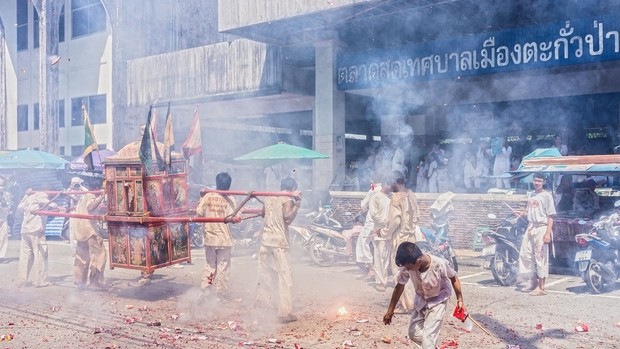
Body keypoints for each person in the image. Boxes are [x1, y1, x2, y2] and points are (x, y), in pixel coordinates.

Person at [383, 242, 464, 349]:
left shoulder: (439, 264)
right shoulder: (408, 266)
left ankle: (429, 345)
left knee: (428, 338)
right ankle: (429, 346)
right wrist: (390, 310)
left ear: (418, 261)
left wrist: (459, 299)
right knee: (413, 333)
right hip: (421, 299)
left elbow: (453, 278)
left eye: (408, 267)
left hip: (438, 301)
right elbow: (399, 286)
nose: (406, 269)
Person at [254, 177, 302, 323]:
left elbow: (263, 214)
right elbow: (287, 218)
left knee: (265, 275)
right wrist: (297, 204)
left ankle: (264, 306)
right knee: (284, 277)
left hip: (265, 242)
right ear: (293, 189)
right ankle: (285, 312)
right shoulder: (287, 200)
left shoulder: (269, 198)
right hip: (279, 244)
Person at [379, 171, 421, 311]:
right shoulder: (412, 195)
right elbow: (417, 216)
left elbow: (394, 221)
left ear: (395, 182)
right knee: (412, 271)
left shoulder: (396, 198)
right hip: (412, 238)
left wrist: (383, 232)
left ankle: (408, 305)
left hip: (400, 239)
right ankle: (415, 302)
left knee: (400, 272)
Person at [196, 172, 237, 298]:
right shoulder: (231, 199)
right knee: (223, 267)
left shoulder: (207, 197)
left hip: (210, 237)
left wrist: (200, 198)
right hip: (224, 239)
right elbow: (235, 217)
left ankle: (205, 291)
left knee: (210, 265)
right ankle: (220, 295)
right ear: (229, 186)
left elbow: (199, 213)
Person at [517, 173, 556, 296]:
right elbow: (529, 211)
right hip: (531, 227)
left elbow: (551, 215)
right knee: (526, 255)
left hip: (542, 228)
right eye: (535, 180)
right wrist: (521, 213)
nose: (537, 183)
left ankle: (541, 287)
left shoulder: (547, 196)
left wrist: (548, 233)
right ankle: (532, 281)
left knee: (540, 257)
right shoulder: (531, 194)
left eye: (539, 181)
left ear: (543, 182)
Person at [17, 189, 62, 287]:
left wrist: (25, 195)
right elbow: (48, 203)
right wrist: (58, 207)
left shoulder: (28, 198)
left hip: (25, 230)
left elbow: (19, 208)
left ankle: (23, 279)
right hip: (36, 229)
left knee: (26, 256)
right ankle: (41, 281)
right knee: (41, 254)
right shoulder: (41, 196)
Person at [73, 183, 107, 289]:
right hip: (90, 231)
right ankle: (94, 282)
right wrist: (102, 196)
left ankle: (80, 282)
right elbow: (90, 207)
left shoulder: (82, 196)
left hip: (80, 231)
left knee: (82, 256)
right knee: (99, 255)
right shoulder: (90, 195)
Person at [370, 177, 392, 292]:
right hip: (379, 231)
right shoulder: (376, 197)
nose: (391, 188)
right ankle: (379, 281)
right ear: (385, 185)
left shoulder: (389, 198)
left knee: (386, 258)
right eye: (390, 186)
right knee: (379, 258)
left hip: (388, 232)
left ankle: (385, 280)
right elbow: (374, 214)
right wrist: (385, 222)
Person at [356, 179, 380, 280]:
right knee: (377, 245)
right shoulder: (387, 191)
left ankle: (371, 268)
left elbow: (363, 205)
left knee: (363, 243)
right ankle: (378, 270)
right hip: (381, 222)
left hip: (371, 222)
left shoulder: (373, 190)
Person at [0, 177, 11, 262]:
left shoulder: (7, 194)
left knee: (3, 237)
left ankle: (1, 256)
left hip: (3, 218)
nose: (1, 187)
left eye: (2, 185)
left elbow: (9, 206)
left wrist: (5, 205)